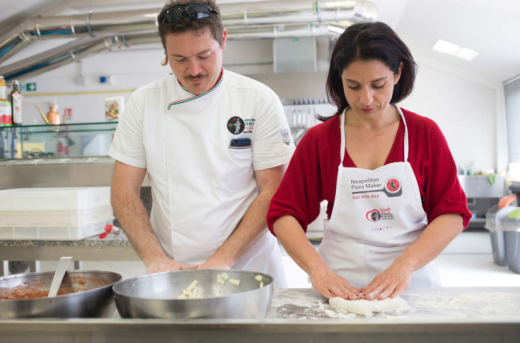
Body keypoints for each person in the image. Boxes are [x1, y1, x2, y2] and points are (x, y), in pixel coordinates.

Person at [267, 22, 472, 299]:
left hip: (411, 284)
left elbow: (452, 212)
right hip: (338, 287)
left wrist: (404, 265)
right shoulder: (320, 140)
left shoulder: (425, 134)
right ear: (340, 79)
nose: (366, 99)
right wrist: (318, 270)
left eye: (378, 85)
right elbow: (284, 214)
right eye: (353, 86)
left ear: (398, 72)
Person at [109, 0, 294, 288]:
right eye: (179, 59)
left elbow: (274, 189)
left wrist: (224, 259)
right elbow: (124, 191)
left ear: (223, 41)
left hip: (248, 268)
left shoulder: (257, 99)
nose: (193, 70)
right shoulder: (144, 102)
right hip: (172, 269)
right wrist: (154, 257)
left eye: (204, 55)